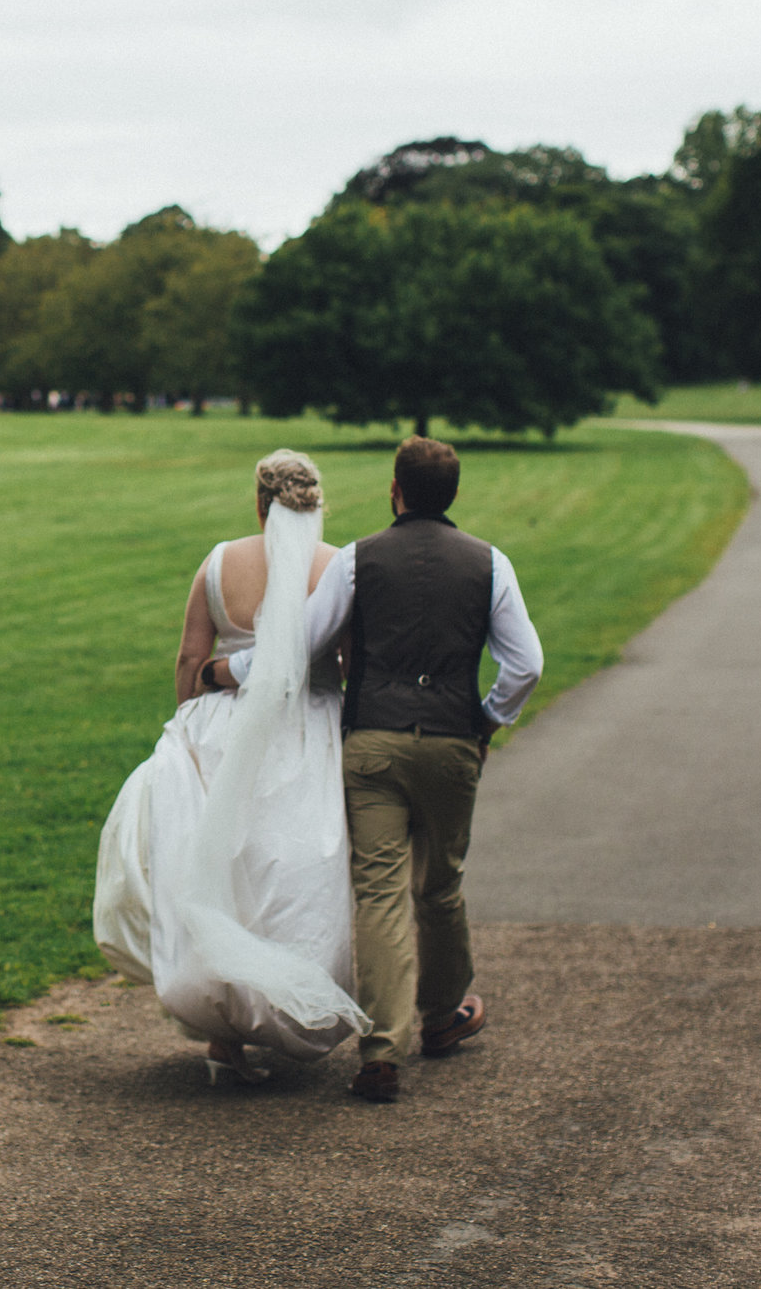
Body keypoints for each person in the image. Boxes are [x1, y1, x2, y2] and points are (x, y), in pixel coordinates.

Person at [217, 435, 541, 1102]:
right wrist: (486, 718)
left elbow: (297, 642)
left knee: (380, 889)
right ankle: (443, 1015)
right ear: (451, 495)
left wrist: (227, 671)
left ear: (396, 490)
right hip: (452, 741)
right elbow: (526, 663)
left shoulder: (360, 559)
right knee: (441, 883)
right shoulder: (490, 562)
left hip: (373, 742)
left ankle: (382, 1050)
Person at [92, 450, 368, 1083]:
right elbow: (351, 665)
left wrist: (189, 728)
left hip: (222, 728)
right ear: (317, 504)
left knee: (226, 874)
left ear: (258, 501)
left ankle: (225, 1040)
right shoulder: (336, 568)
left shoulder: (217, 564)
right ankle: (283, 1014)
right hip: (307, 733)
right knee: (294, 876)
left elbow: (191, 660)